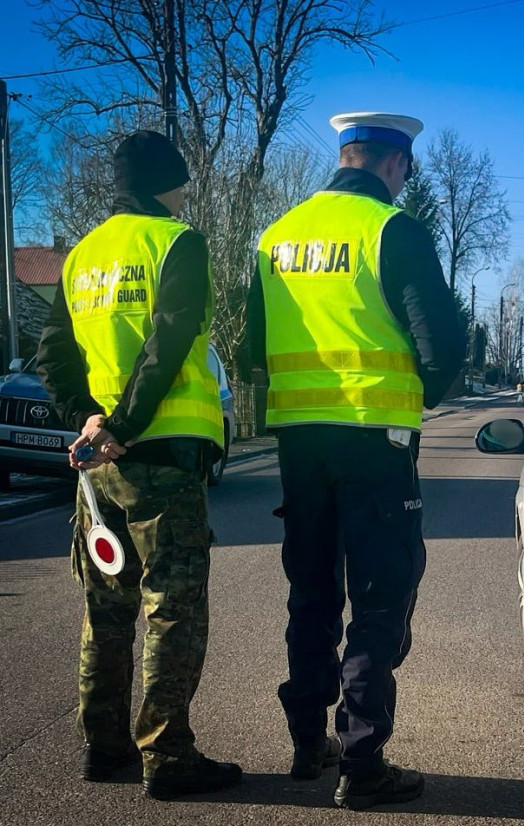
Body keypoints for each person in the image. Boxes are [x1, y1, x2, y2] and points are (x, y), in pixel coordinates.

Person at [247, 112, 465, 809]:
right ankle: (364, 763)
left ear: (345, 154)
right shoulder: (390, 229)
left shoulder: (277, 236)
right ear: (394, 165)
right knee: (378, 594)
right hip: (375, 440)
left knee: (311, 592)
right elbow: (440, 345)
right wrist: (421, 392)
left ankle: (309, 740)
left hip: (299, 443)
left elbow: (255, 349)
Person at [36, 130, 242, 801]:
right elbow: (170, 338)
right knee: (172, 610)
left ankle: (104, 748)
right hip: (164, 454)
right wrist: (124, 424)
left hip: (98, 464)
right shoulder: (177, 241)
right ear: (168, 181)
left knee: (105, 610)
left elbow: (54, 354)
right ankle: (168, 756)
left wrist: (88, 421)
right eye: (183, 180)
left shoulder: (82, 257)